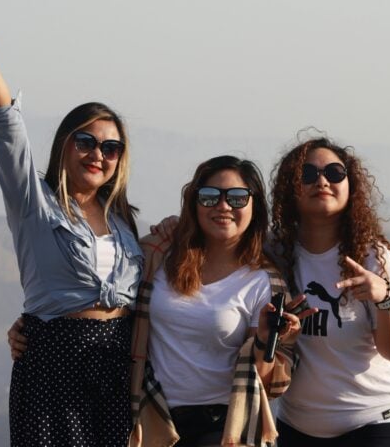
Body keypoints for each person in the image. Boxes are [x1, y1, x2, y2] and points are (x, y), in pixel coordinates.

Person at [0, 0, 144, 446]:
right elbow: (6, 127)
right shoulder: (34, 203)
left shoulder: (123, 222)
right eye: (86, 142)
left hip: (120, 370)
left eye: (110, 148)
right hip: (53, 369)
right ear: (64, 145)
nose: (98, 154)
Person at [128, 155, 309, 447]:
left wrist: (265, 340)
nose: (224, 206)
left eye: (237, 198)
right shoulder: (158, 255)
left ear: (254, 206)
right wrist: (33, 323)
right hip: (152, 415)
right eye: (210, 196)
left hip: (222, 427)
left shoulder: (263, 282)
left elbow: (268, 386)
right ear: (194, 203)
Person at [269, 136, 390, 447]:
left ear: (351, 185)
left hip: (376, 419)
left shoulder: (372, 257)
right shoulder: (274, 252)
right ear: (289, 189)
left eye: (335, 173)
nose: (322, 181)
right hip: (298, 424)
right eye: (307, 175)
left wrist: (385, 297)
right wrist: (175, 228)